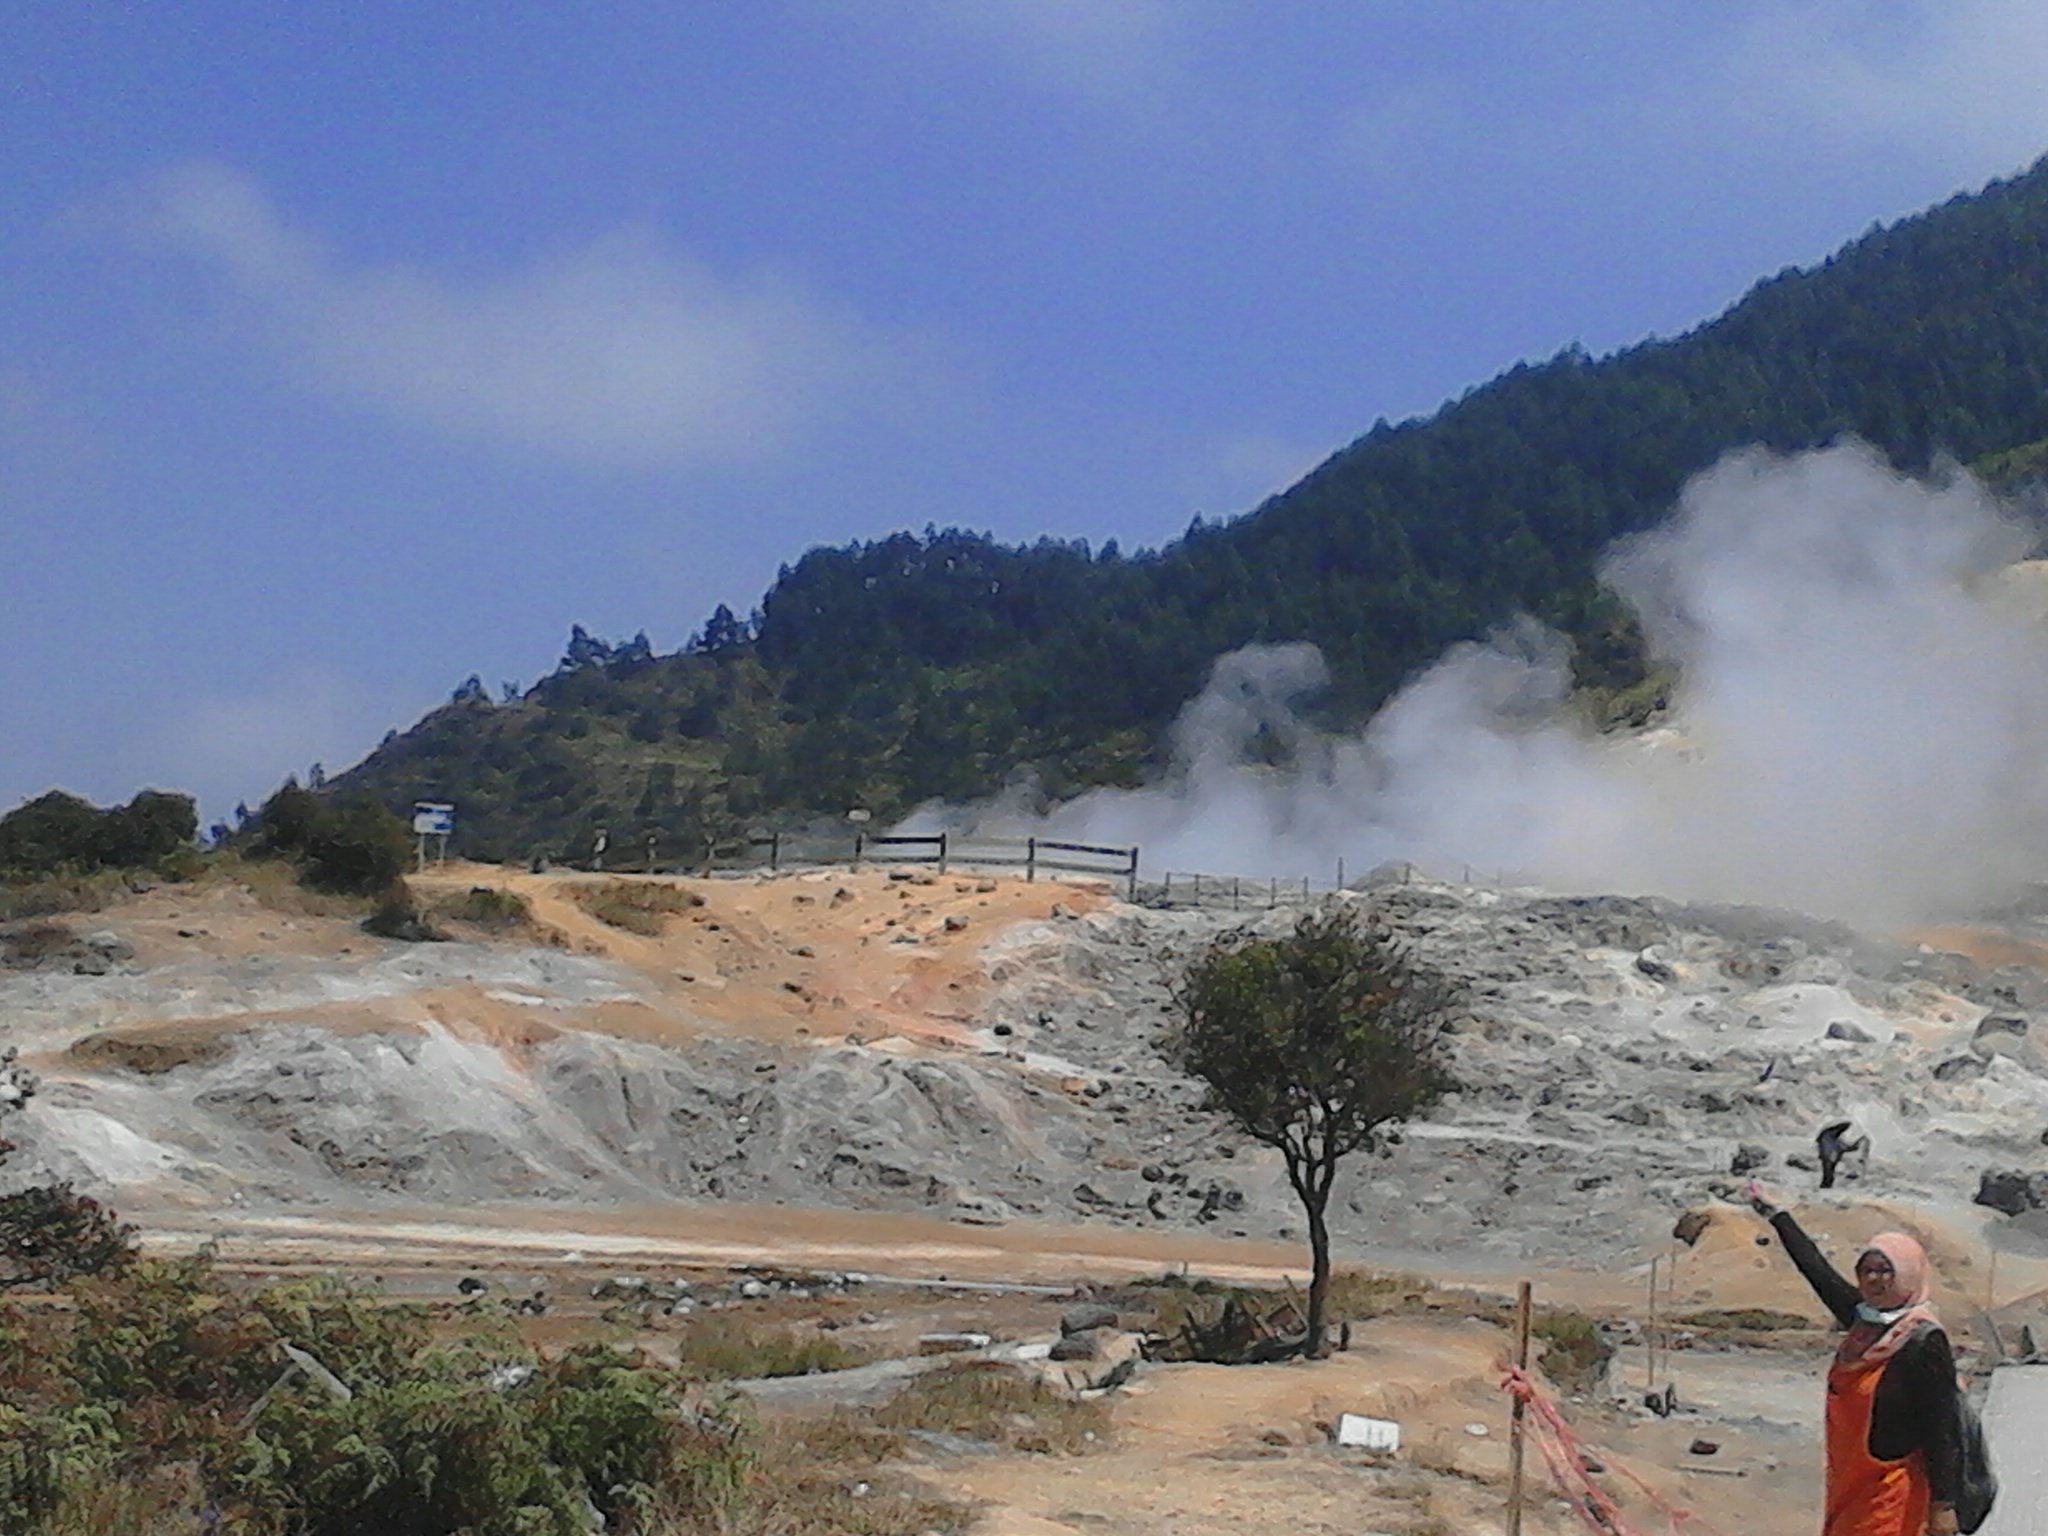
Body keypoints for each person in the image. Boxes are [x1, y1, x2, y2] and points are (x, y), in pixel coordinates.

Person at [1748, 1181, 1962, 1536]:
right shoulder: (1865, 1323)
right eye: (1867, 1270)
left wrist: (1944, 1506)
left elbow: (1942, 1427)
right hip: (1851, 1485)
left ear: (1907, 1274)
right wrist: (1778, 1215)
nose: (1874, 1279)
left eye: (1885, 1270)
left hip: (1894, 1490)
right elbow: (1818, 1272)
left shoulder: (1923, 1340)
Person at [1818, 1120, 1871, 1190]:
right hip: (1830, 1155)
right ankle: (1826, 1185)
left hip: (1829, 1155)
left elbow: (1840, 1147)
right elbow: (1840, 1147)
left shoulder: (1827, 1137)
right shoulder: (1829, 1137)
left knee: (1828, 1171)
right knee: (1828, 1171)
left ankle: (1826, 1185)